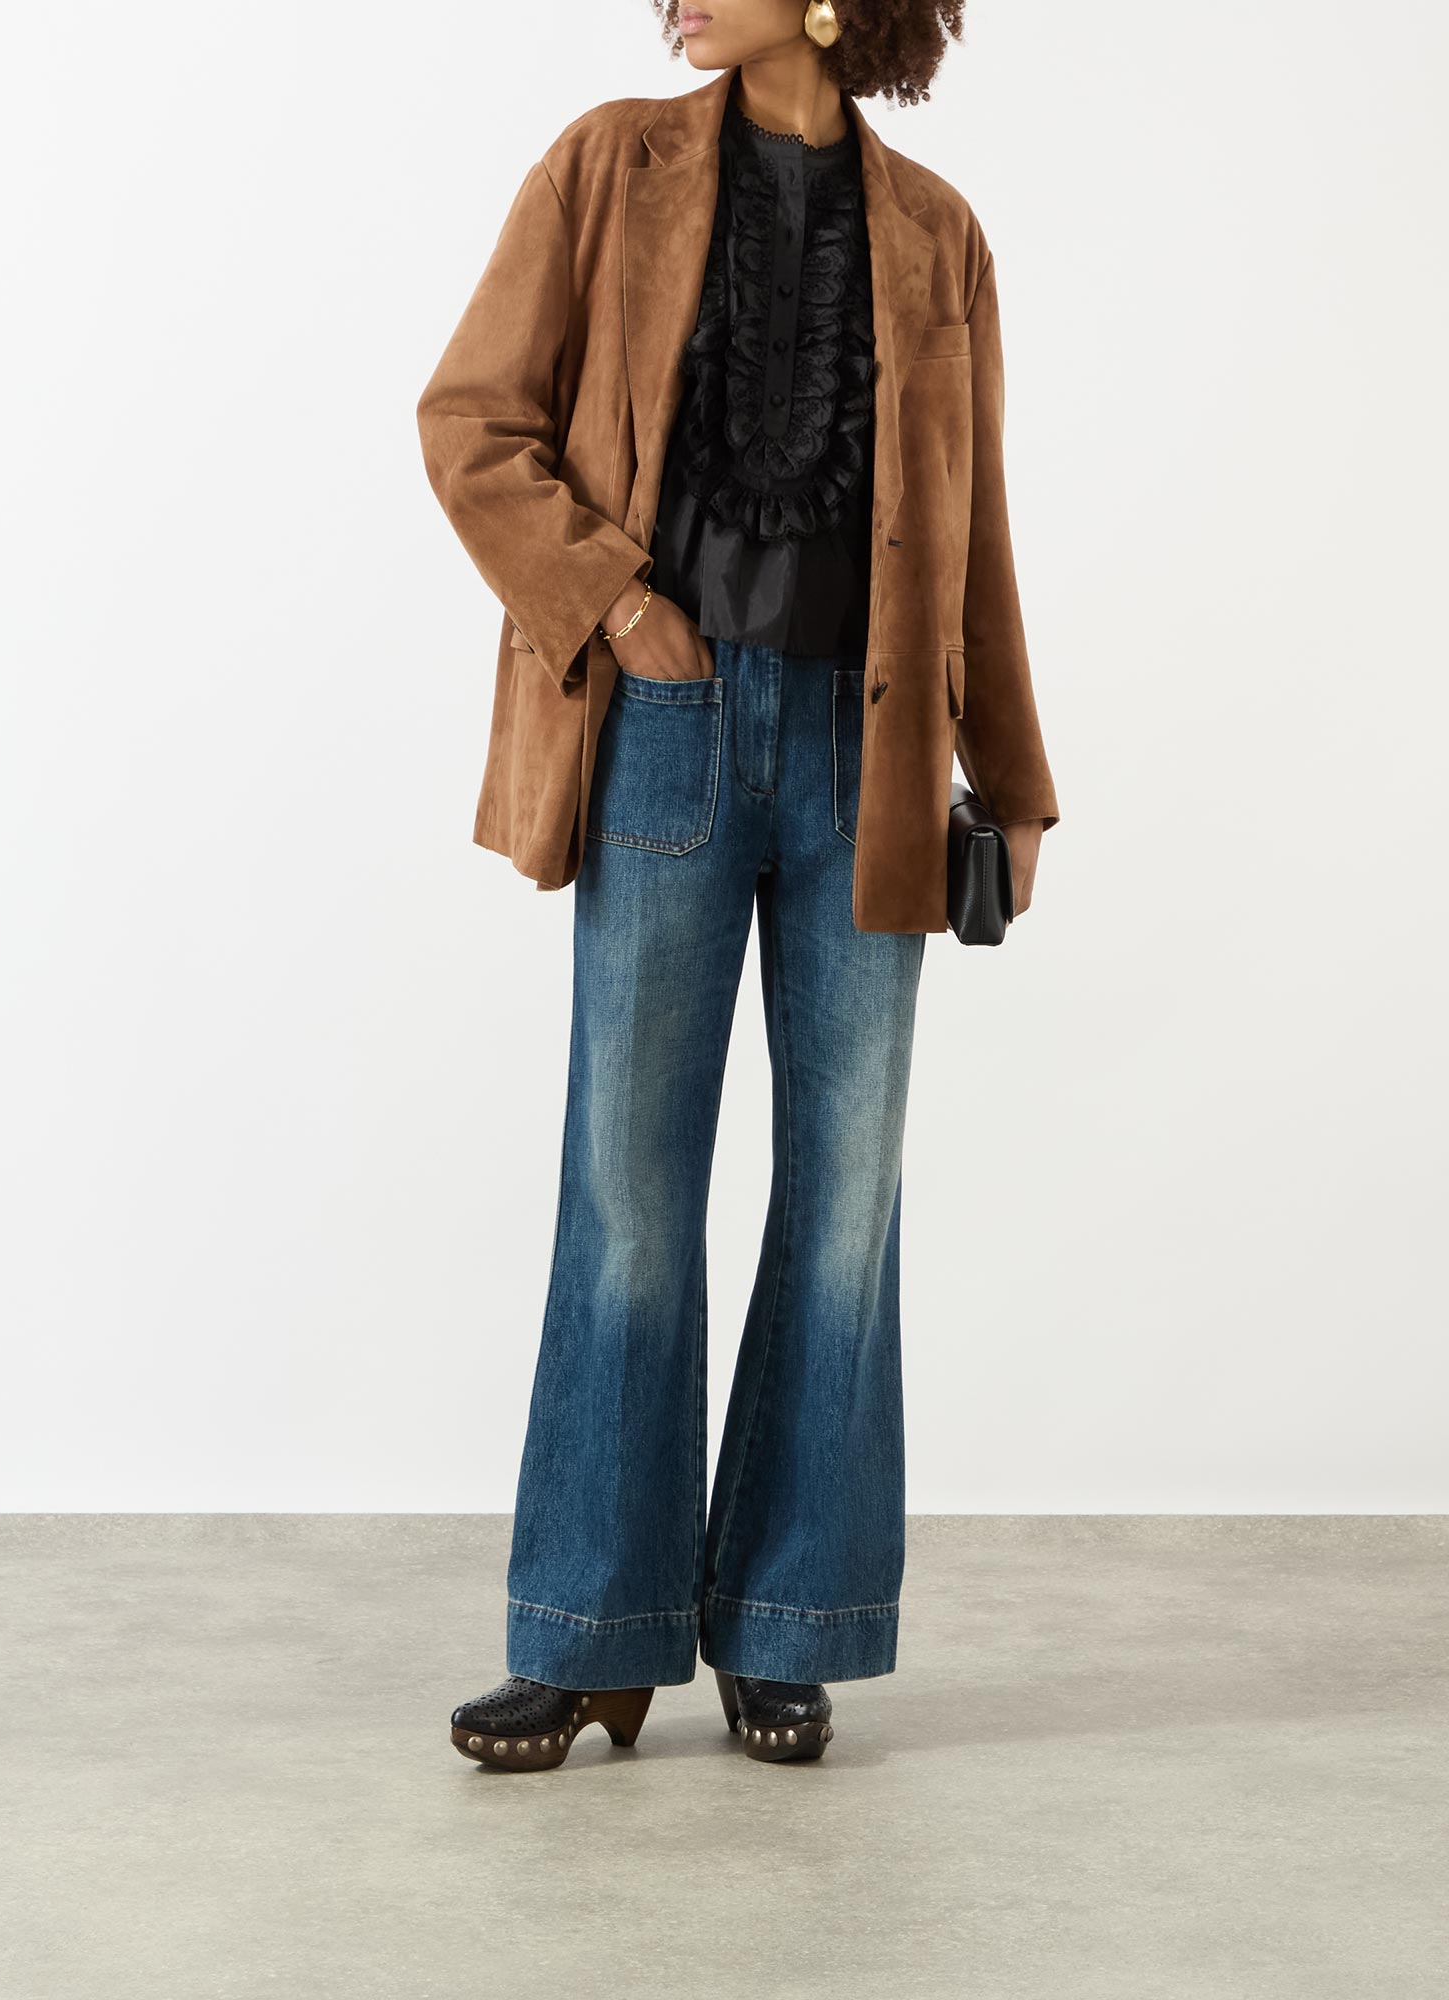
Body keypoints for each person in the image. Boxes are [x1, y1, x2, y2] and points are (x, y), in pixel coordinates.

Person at [416, 0, 1059, 1771]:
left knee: (846, 1199)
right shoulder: (605, 167)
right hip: (667, 737)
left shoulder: (936, 236)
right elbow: (472, 423)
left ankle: (789, 1627)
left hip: (872, 761)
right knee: (630, 1188)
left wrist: (1012, 782)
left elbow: (977, 532)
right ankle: (589, 1636)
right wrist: (623, 609)